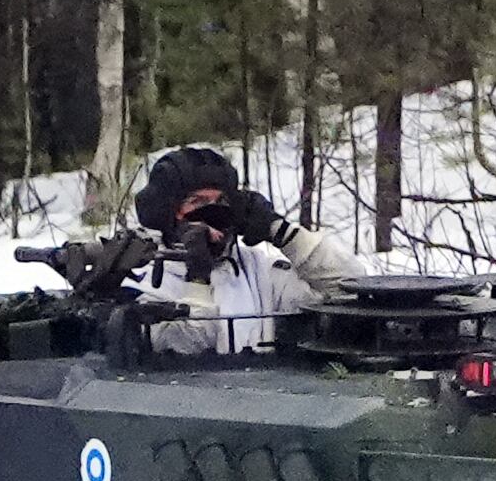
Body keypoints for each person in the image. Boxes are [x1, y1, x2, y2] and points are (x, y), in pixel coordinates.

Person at [128, 146, 362, 354]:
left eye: (221, 202)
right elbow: (186, 346)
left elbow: (352, 292)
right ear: (168, 211)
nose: (213, 212)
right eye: (197, 202)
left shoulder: (259, 272)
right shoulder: (143, 280)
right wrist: (197, 278)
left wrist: (281, 232)